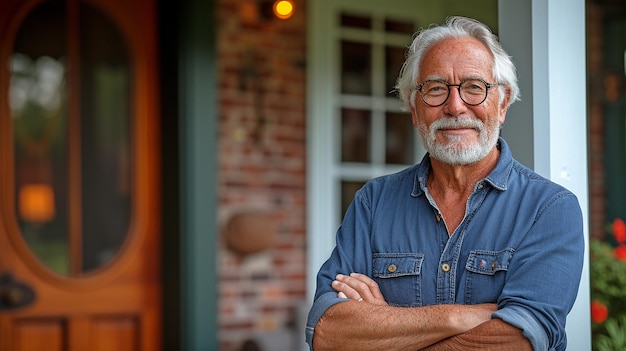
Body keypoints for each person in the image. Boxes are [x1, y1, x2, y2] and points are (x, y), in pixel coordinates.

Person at [305, 16, 584, 351]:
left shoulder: (549, 208)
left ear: (503, 103)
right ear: (413, 106)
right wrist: (459, 317)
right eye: (436, 89)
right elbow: (328, 331)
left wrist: (386, 330)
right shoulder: (373, 201)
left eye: (474, 87)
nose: (454, 106)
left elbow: (520, 340)